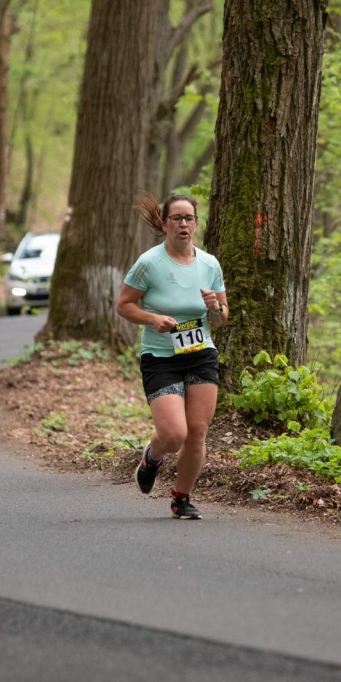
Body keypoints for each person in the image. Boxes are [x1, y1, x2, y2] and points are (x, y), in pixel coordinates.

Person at [115, 192, 228, 520]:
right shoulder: (149, 263)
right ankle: (152, 458)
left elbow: (222, 316)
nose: (183, 224)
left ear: (196, 223)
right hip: (161, 357)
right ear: (164, 223)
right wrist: (152, 319)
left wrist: (216, 308)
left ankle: (182, 498)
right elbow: (124, 305)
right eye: (176, 218)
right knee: (174, 434)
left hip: (200, 353)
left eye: (188, 218)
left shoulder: (209, 264)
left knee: (197, 432)